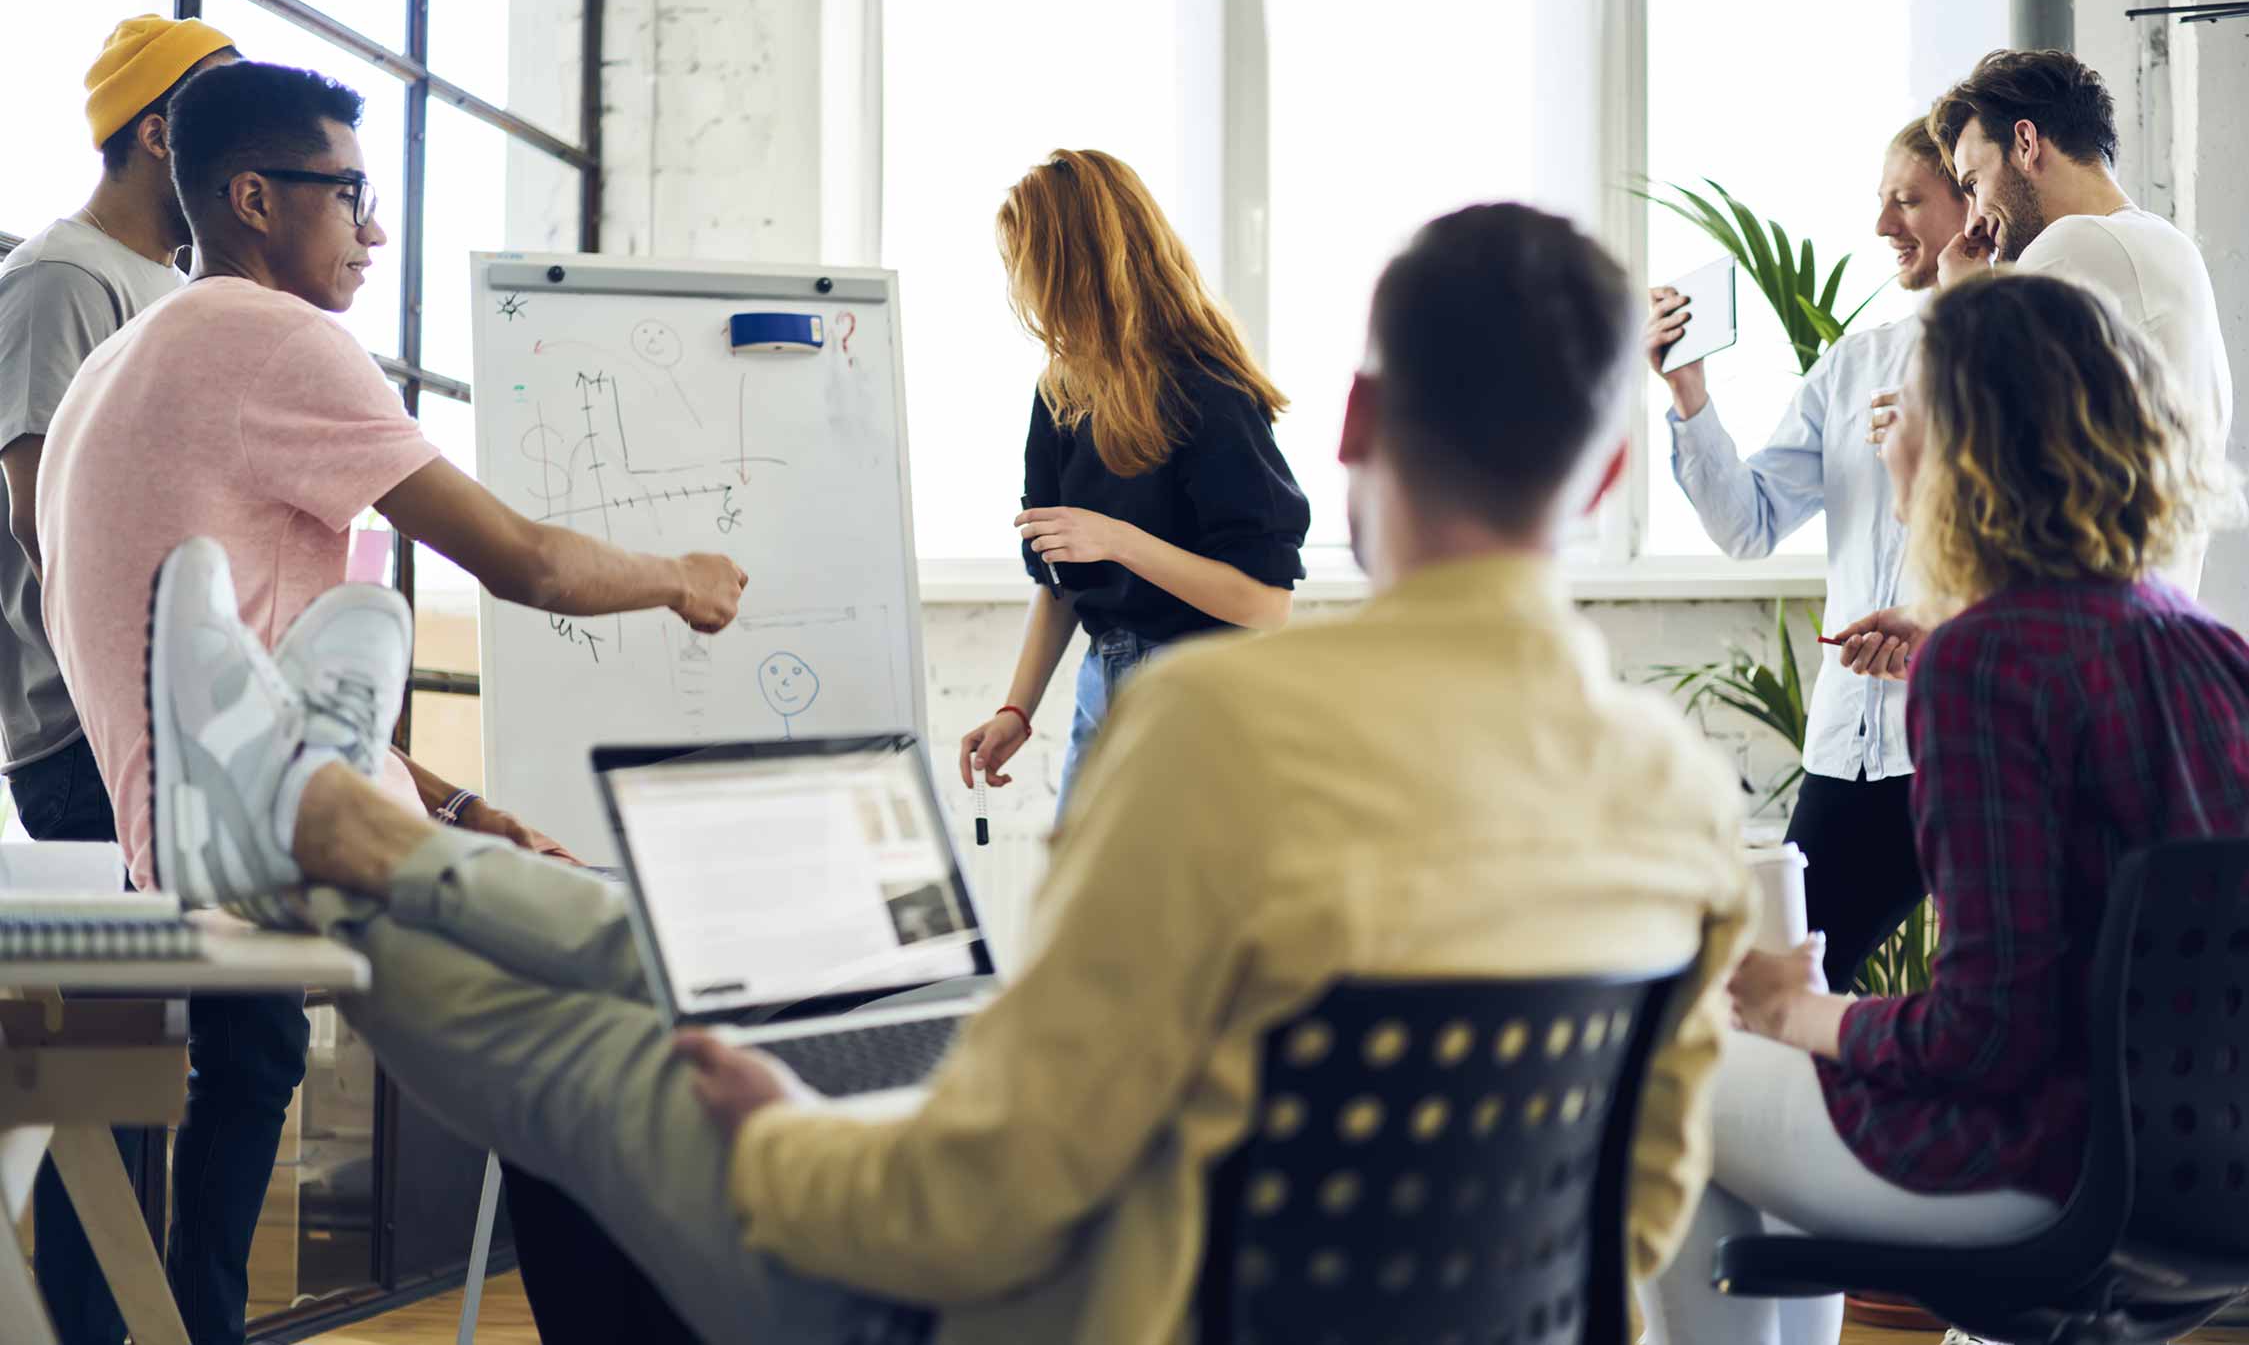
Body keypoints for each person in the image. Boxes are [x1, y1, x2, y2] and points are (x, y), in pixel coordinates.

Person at [137, 202, 1752, 1344]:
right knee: (730, 979)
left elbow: (991, 1196)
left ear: (1348, 420)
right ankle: (325, 814)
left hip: (995, 1315)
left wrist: (784, 1143)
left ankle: (297, 832)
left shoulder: (1223, 741)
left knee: (616, 1069)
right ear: (1610, 464)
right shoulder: (1673, 803)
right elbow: (1626, 1229)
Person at [33, 58, 744, 1342]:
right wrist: (681, 578)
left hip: (202, 824)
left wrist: (461, 800)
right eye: (351, 194)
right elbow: (524, 562)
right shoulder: (270, 334)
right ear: (253, 196)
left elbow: (264, 663)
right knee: (653, 988)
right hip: (259, 857)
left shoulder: (123, 361)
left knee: (578, 1028)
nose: (372, 232)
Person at [1640, 272, 2249, 1345]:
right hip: (2205, 1172)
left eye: (1904, 412)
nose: (1886, 443)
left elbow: (1984, 1036)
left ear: (1961, 444)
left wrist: (1798, 1014)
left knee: (1675, 1076)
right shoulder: (2211, 650)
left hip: (2036, 1168)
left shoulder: (1982, 659)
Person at [0, 13, 243, 1345]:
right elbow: (51, 528)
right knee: (123, 1068)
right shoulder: (60, 280)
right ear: (162, 130)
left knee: (244, 1049)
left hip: (194, 732)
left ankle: (194, 1323)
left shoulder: (186, 292)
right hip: (91, 733)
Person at [1645, 119, 1970, 993]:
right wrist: (1688, 393)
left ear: (1973, 204)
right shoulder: (1851, 365)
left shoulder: (2034, 359)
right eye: (1881, 201)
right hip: (1852, 750)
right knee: (1778, 981)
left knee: (2005, 994)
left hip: (1969, 745)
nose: (1882, 227)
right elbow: (1745, 525)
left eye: (1907, 200)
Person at [958, 150, 1310, 818]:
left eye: (1026, 264)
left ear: (1070, 266)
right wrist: (1016, 710)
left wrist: (1119, 540)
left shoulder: (1210, 391)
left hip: (1199, 693)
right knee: (1090, 910)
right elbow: (1059, 583)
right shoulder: (1060, 391)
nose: (1021, 286)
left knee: (1157, 915)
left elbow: (1264, 604)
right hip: (1107, 677)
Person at [1908, 48, 2232, 595]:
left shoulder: (2077, 244)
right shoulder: (2167, 246)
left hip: (2073, 639)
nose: (1973, 219)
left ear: (2026, 143)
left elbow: (1971, 444)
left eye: (1972, 184)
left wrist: (1960, 296)